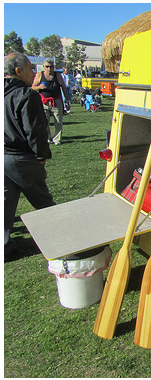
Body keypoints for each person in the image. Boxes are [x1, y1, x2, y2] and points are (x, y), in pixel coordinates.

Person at [4, 52, 56, 259]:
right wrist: (41, 156)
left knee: (5, 203)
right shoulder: (26, 95)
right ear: (18, 71)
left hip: (4, 155)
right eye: (30, 68)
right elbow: (35, 131)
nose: (34, 73)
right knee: (44, 202)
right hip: (21, 158)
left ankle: (4, 245)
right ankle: (62, 236)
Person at [32, 59, 70, 145]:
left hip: (56, 101)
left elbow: (64, 88)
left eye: (51, 66)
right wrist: (39, 87)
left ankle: (57, 139)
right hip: (43, 101)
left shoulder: (58, 76)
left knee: (58, 121)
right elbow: (32, 87)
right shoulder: (39, 75)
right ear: (44, 67)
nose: (49, 68)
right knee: (44, 121)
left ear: (54, 67)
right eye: (47, 66)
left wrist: (67, 101)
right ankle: (47, 137)